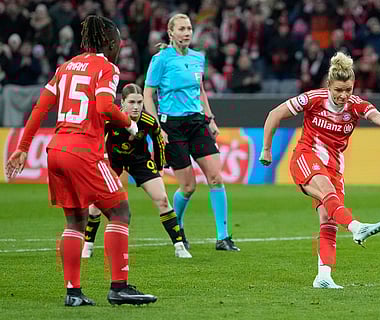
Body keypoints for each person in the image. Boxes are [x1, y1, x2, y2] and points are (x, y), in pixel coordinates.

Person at [5, 15, 157, 306]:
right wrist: (129, 123)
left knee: (75, 220)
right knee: (120, 211)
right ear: (109, 43)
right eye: (118, 43)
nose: (119, 48)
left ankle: (73, 293)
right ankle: (119, 287)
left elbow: (40, 108)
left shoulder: (65, 67)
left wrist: (23, 146)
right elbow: (104, 106)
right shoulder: (106, 67)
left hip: (56, 151)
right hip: (83, 151)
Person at [260, 52, 380, 289]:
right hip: (306, 157)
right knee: (327, 192)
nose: (343, 95)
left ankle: (323, 276)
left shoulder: (356, 106)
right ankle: (356, 227)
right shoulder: (312, 99)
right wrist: (267, 149)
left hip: (335, 166)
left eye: (348, 90)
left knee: (328, 219)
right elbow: (274, 114)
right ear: (329, 85)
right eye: (339, 90)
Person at [143, 13, 239, 251]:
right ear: (171, 32)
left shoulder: (198, 58)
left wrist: (210, 119)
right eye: (182, 29)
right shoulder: (161, 60)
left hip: (197, 122)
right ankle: (179, 226)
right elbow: (147, 94)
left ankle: (223, 237)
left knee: (216, 177)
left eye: (189, 29)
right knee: (188, 186)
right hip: (172, 126)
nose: (187, 32)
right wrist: (157, 128)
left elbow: (201, 91)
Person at [82, 83, 192, 259]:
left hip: (139, 161)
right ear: (122, 102)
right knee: (96, 203)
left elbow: (158, 141)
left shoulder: (148, 121)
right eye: (132, 102)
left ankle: (179, 246)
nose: (136, 106)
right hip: (114, 161)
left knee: (163, 200)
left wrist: (159, 166)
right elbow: (96, 138)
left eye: (140, 102)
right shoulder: (110, 118)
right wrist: (97, 161)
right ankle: (88, 245)